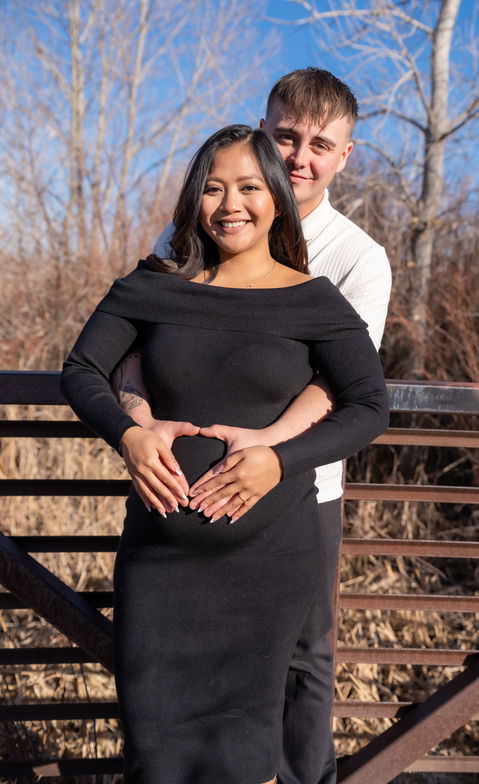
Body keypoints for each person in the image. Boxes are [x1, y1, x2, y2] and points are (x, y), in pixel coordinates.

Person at [61, 124, 389, 784]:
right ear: (193, 200)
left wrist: (280, 458)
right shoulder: (152, 288)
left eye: (247, 186)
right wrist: (130, 433)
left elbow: (367, 406)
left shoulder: (312, 299)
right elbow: (81, 370)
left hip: (266, 569)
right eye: (212, 187)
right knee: (156, 757)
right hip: (162, 568)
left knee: (246, 757)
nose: (229, 203)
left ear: (274, 195)